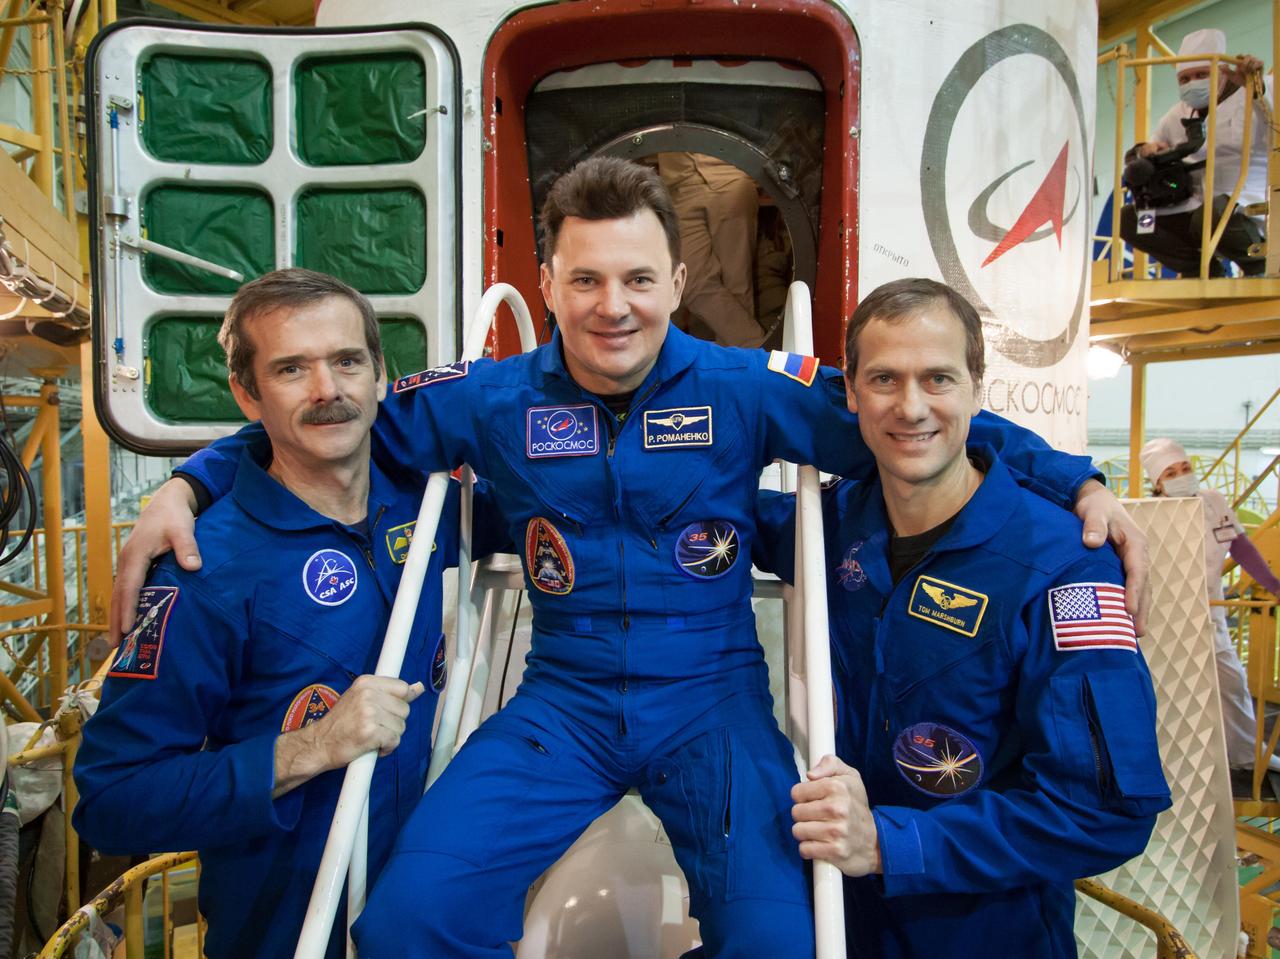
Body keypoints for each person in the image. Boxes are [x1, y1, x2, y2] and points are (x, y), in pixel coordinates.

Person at [111, 158, 1149, 958]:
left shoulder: (749, 385)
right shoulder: (486, 396)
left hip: (712, 695)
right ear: (547, 284)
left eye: (639, 277)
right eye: (588, 278)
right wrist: (189, 480)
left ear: (677, 279)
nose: (615, 305)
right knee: (402, 923)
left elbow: (912, 416)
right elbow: (328, 420)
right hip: (557, 701)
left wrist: (1072, 479)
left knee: (782, 941)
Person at [74, 269, 505, 959]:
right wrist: (314, 746)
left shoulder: (423, 506)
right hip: (286, 933)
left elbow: (572, 519)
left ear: (378, 372)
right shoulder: (202, 571)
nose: (328, 390)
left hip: (422, 909)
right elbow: (113, 798)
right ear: (248, 393)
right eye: (291, 369)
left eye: (346, 361)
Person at [753, 278, 1171, 959]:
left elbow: (1104, 811)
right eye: (884, 379)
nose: (912, 406)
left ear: (978, 387)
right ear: (851, 393)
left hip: (987, 932)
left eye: (938, 378)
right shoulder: (829, 523)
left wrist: (891, 843)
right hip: (840, 921)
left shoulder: (1063, 564)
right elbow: (709, 515)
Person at [1141, 437, 1280, 773]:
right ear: (1158, 482)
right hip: (1167, 617)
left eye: (1185, 468)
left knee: (1231, 683)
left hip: (1210, 612)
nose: (1181, 475)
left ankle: (1247, 754)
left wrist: (1275, 586)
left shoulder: (1212, 502)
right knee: (1169, 690)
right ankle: (1169, 762)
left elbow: (1240, 547)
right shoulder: (1148, 514)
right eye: (1171, 472)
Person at [1119, 28, 1271, 277]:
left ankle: (1259, 267)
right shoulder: (1176, 114)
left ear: (1223, 71)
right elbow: (1143, 155)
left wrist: (1255, 90)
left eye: (1202, 74)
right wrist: (1145, 151)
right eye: (1185, 79)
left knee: (1211, 215)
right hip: (1189, 206)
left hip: (1245, 205)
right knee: (1133, 219)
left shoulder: (1258, 90)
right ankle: (1201, 271)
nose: (1193, 84)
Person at [658, 152, 770, 347]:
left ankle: (740, 366)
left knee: (737, 283)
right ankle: (758, 350)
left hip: (729, 179)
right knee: (691, 283)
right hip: (679, 186)